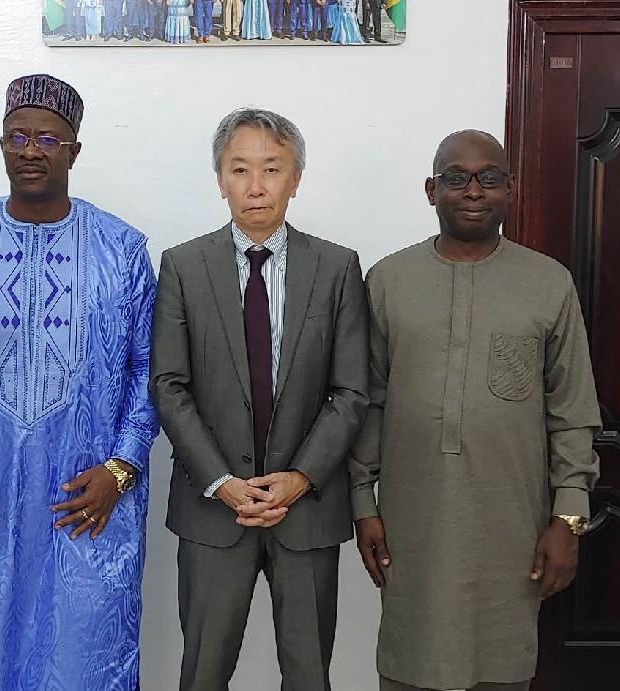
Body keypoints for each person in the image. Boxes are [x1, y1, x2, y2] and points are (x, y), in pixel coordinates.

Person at [0, 74, 159, 690]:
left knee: (83, 659)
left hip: (89, 505)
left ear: (73, 150)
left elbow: (149, 369)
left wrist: (122, 469)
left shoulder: (122, 250)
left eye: (47, 138)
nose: (30, 150)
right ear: (1, 145)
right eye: (17, 136)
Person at [350, 130, 601, 691]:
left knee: (503, 662)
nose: (473, 191)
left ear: (510, 190)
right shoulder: (388, 281)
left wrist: (568, 518)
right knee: (411, 662)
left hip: (513, 521)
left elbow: (572, 410)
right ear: (430, 190)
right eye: (457, 177)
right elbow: (366, 402)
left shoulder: (548, 283)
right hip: (412, 520)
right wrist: (362, 501)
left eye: (489, 178)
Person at [151, 108, 368, 691]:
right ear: (219, 178)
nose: (255, 186)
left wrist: (301, 476)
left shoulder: (337, 267)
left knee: (307, 674)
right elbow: (168, 386)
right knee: (203, 674)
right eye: (239, 169)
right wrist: (221, 480)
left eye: (271, 169)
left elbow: (351, 391)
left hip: (307, 510)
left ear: (295, 178)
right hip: (212, 508)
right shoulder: (182, 266)